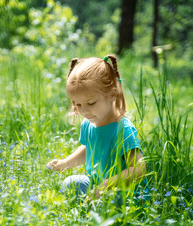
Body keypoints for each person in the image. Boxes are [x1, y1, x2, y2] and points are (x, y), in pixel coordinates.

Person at [47, 54, 148, 205]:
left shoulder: (123, 129)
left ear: (112, 95)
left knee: (112, 201)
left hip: (122, 190)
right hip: (98, 186)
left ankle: (100, 212)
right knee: (71, 183)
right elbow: (88, 149)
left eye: (91, 103)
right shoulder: (89, 123)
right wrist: (64, 163)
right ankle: (86, 210)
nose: (84, 111)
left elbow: (139, 169)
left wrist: (107, 185)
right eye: (78, 105)